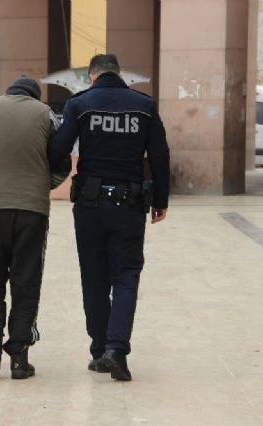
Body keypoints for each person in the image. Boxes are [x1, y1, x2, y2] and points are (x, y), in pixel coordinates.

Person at [48, 54, 170, 381]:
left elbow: (58, 150)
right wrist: (160, 200)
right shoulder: (144, 106)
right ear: (120, 74)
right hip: (130, 205)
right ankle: (117, 349)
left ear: (92, 76)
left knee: (94, 278)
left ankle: (99, 350)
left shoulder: (79, 104)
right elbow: (160, 155)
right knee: (126, 276)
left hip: (90, 206)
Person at [0, 76, 71, 379]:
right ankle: (20, 357)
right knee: (26, 281)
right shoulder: (47, 115)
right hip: (33, 211)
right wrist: (41, 185)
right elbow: (62, 164)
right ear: (35, 96)